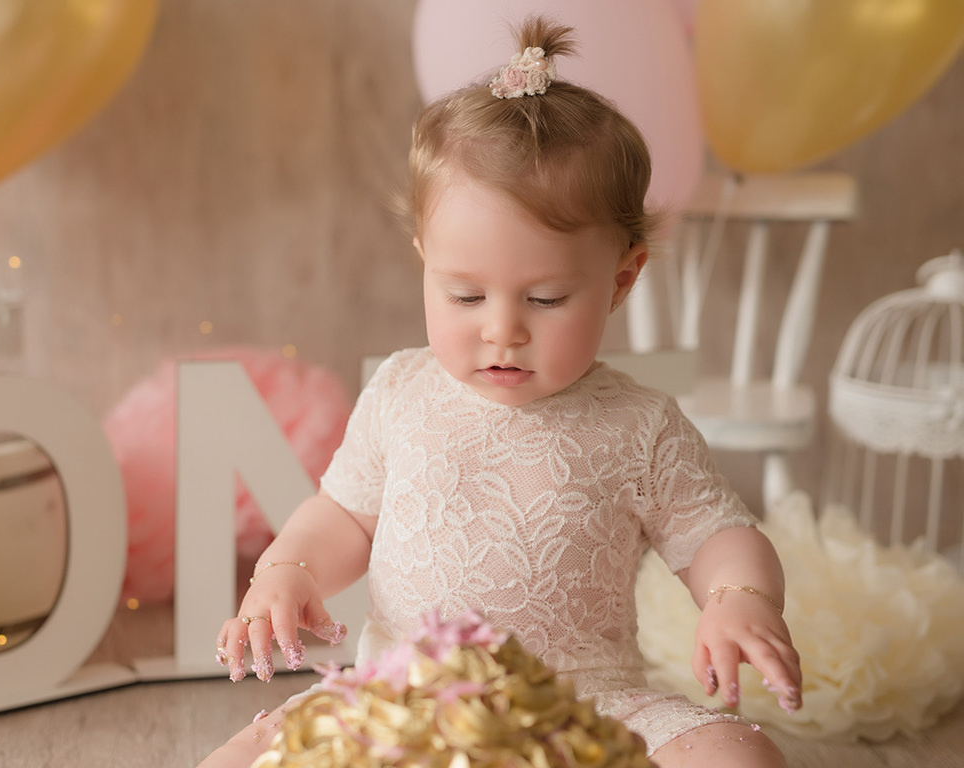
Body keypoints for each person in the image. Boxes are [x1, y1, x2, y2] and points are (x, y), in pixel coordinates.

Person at [199, 16, 801, 768]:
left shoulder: (640, 425)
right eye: (465, 296)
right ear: (425, 262)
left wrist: (736, 598)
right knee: (252, 751)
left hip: (583, 701)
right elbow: (343, 518)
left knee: (737, 754)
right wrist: (286, 573)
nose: (503, 331)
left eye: (546, 299)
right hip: (407, 693)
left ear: (622, 279)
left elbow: (718, 535)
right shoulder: (401, 390)